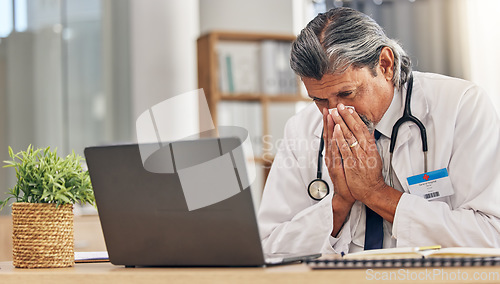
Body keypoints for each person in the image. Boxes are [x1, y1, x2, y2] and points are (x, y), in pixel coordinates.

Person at [257, 7, 500, 255]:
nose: (333, 113)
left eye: (346, 94)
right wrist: (339, 204)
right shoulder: (301, 129)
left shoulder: (461, 106)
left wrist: (376, 193)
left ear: (385, 65)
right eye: (319, 100)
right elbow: (269, 246)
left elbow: (490, 234)